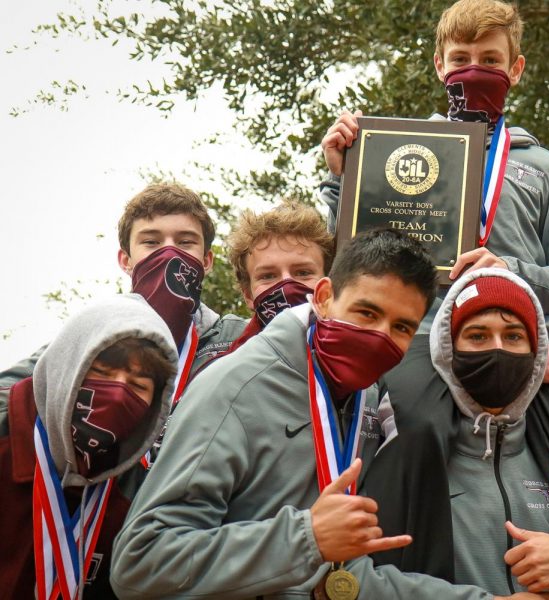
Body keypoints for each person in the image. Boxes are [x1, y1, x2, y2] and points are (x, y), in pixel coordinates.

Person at [111, 230, 549, 599]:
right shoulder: (235, 387)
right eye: (366, 312)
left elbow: (340, 578)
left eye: (401, 327)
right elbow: (141, 561)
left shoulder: (363, 394)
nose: (380, 336)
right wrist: (306, 538)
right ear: (324, 297)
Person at [318, 0, 549, 356]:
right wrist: (343, 175)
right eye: (461, 59)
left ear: (516, 68)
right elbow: (345, 263)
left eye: (491, 60)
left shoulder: (547, 170)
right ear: (440, 66)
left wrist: (509, 271)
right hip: (414, 349)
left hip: (516, 353)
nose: (475, 70)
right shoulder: (394, 152)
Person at [361, 268, 549, 600]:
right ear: (447, 349)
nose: (497, 349)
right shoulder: (408, 450)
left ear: (537, 352)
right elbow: (353, 579)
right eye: (477, 336)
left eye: (514, 336)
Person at [0, 294, 178, 599]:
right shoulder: (5, 435)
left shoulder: (140, 491)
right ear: (68, 367)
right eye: (102, 373)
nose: (119, 395)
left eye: (138, 386)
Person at [0, 183, 247, 388]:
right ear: (126, 260)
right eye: (151, 242)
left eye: (185, 242)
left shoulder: (239, 339)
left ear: (206, 260)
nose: (170, 253)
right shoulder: (93, 334)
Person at [225, 201, 334, 352]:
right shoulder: (226, 370)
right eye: (268, 276)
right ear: (248, 295)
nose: (287, 286)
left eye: (303, 273)